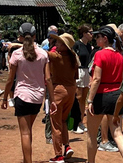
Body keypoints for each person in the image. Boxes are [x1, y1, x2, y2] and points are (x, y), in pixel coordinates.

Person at [1, 22, 57, 163]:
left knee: (25, 132)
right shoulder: (43, 54)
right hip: (37, 98)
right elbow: (48, 79)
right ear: (35, 36)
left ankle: (28, 161)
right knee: (29, 130)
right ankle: (27, 160)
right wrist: (52, 100)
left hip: (22, 96)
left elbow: (10, 79)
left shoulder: (17, 54)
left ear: (20, 37)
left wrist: (5, 98)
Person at [87, 25, 123, 163]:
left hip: (101, 95)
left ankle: (91, 161)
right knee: (117, 133)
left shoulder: (99, 54)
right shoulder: (120, 56)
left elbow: (97, 79)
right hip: (116, 95)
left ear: (105, 39)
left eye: (98, 37)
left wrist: (89, 100)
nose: (96, 39)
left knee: (92, 134)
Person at [48, 33, 80, 163]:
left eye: (59, 43)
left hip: (58, 91)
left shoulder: (55, 56)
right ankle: (67, 146)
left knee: (55, 124)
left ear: (65, 46)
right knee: (63, 120)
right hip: (71, 90)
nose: (56, 44)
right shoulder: (73, 58)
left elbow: (38, 52)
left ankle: (58, 155)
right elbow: (76, 76)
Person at [73, 24, 93, 134]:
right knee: (78, 97)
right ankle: (75, 122)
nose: (92, 35)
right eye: (90, 32)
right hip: (79, 71)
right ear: (84, 33)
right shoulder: (77, 45)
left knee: (84, 97)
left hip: (86, 71)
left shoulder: (89, 46)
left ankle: (81, 121)